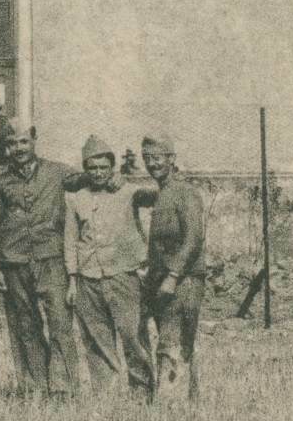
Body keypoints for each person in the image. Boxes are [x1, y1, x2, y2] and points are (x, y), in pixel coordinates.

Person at [0, 126, 74, 397]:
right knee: (26, 325)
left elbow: (92, 177)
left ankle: (63, 388)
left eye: (24, 141)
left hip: (51, 259)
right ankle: (35, 386)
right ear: (7, 147)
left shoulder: (58, 172)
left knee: (60, 323)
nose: (19, 148)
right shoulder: (2, 180)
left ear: (35, 141)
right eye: (13, 143)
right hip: (13, 261)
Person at [62, 134, 154, 400]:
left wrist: (132, 179)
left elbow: (154, 194)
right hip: (88, 278)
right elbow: (71, 240)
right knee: (97, 340)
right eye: (92, 168)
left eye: (104, 167)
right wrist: (72, 279)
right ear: (85, 169)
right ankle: (107, 396)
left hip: (123, 275)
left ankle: (142, 394)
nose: (99, 173)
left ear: (112, 168)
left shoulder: (127, 191)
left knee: (133, 337)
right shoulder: (76, 198)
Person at [138, 133, 209, 402]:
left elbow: (193, 239)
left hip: (184, 281)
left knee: (173, 343)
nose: (152, 164)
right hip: (162, 279)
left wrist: (173, 275)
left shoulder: (185, 193)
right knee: (176, 342)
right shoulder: (163, 193)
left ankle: (170, 409)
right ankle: (187, 403)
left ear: (171, 159)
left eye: (157, 158)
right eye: (147, 159)